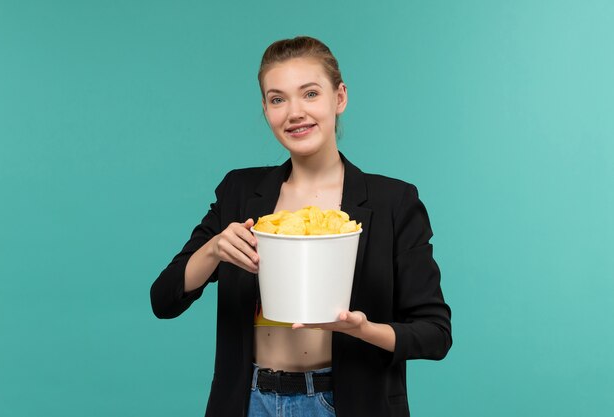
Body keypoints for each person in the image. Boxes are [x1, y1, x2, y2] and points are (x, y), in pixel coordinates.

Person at [150, 36, 452, 417]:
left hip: (343, 403)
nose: (294, 112)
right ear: (265, 109)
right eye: (278, 99)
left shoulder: (393, 201)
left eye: (310, 94)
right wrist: (213, 250)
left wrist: (363, 330)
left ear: (339, 98)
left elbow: (435, 333)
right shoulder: (240, 192)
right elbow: (163, 298)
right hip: (249, 401)